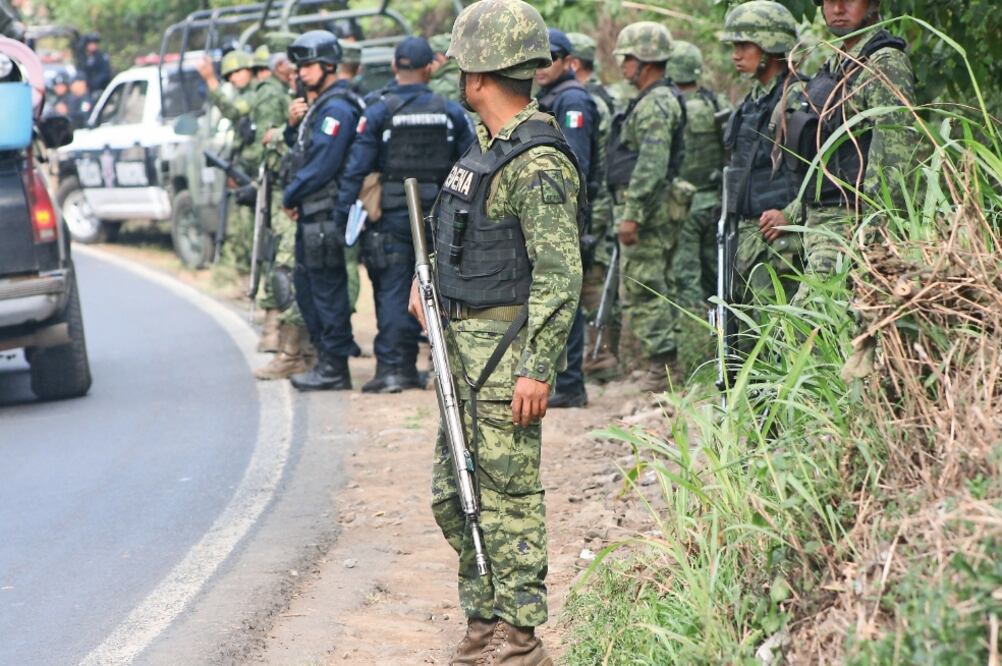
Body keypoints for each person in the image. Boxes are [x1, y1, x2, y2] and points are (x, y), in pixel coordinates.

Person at [407, 0, 581, 662]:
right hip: (462, 349)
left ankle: (521, 638)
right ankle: (483, 623)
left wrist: (538, 368)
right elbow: (459, 233)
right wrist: (426, 282)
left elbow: (559, 276)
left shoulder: (537, 162)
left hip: (506, 356)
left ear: (478, 74)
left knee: (509, 502)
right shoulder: (486, 149)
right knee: (455, 495)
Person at [336, 36, 474, 394]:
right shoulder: (451, 112)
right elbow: (472, 164)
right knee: (441, 291)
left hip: (393, 218)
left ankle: (395, 370)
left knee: (393, 292)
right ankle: (444, 370)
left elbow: (355, 169)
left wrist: (342, 217)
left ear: (394, 66)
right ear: (430, 67)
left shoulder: (378, 111)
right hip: (441, 220)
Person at [787, 0, 915, 308]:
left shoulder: (884, 62)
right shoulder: (836, 64)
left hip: (848, 223)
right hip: (818, 220)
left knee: (806, 321)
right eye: (830, 0)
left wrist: (872, 235)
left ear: (874, 4)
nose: (838, 8)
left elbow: (893, 157)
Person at [719, 1, 808, 334]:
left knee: (777, 335)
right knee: (743, 338)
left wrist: (792, 214)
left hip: (778, 239)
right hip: (745, 235)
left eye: (745, 45)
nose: (736, 55)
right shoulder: (753, 101)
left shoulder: (799, 98)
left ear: (770, 46)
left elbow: (823, 172)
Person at [282, 30, 363, 391]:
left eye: (309, 65)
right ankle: (326, 362)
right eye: (299, 66)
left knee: (327, 292)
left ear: (329, 65)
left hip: (326, 213)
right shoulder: (319, 105)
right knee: (308, 288)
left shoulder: (337, 108)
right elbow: (303, 152)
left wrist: (291, 195)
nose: (301, 72)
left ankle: (334, 368)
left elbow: (321, 164)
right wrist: (292, 126)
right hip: (313, 212)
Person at [607, 21, 687, 391]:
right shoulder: (651, 99)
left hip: (647, 212)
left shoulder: (656, 104)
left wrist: (632, 215)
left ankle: (663, 369)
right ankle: (661, 365)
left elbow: (651, 167)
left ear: (647, 61)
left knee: (645, 285)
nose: (623, 65)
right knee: (650, 283)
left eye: (628, 58)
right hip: (645, 209)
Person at [535, 27, 599, 408]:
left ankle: (571, 383)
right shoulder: (550, 97)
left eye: (551, 58)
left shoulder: (572, 99)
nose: (543, 66)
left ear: (569, 61)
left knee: (564, 296)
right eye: (538, 59)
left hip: (564, 213)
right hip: (552, 211)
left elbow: (574, 165)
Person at [566, 32, 621, 382]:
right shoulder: (605, 97)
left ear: (573, 63)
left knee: (590, 277)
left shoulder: (585, 101)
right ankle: (601, 353)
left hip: (594, 200)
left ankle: (600, 355)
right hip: (604, 197)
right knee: (595, 274)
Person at [667, 40, 732, 310]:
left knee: (685, 277)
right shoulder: (717, 103)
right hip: (716, 202)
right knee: (718, 275)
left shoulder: (669, 107)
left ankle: (693, 327)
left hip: (682, 204)